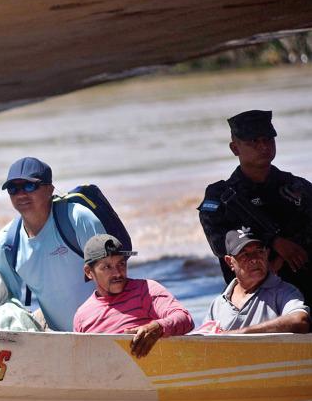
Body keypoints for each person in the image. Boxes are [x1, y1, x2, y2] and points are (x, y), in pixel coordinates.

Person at [198, 110, 312, 304]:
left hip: (305, 289)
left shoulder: (297, 187)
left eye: (268, 139)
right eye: (253, 142)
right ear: (235, 148)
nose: (264, 146)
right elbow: (220, 244)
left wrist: (287, 253)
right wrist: (273, 242)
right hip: (254, 298)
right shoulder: (220, 195)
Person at [0, 157, 106, 331]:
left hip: (105, 329)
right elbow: (5, 302)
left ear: (49, 189)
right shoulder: (6, 242)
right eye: (13, 188)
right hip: (58, 339)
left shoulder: (78, 219)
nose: (21, 194)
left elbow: (114, 276)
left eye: (30, 186)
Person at [73, 234, 193, 357]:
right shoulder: (82, 317)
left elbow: (185, 318)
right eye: (107, 267)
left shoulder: (145, 290)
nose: (117, 273)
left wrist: (158, 327)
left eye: (121, 264)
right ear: (89, 272)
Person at [195, 228, 309, 334]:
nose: (254, 259)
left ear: (267, 254)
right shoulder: (218, 304)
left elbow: (300, 321)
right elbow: (205, 342)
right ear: (230, 262)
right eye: (244, 254)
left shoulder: (284, 292)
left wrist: (241, 333)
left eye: (259, 251)